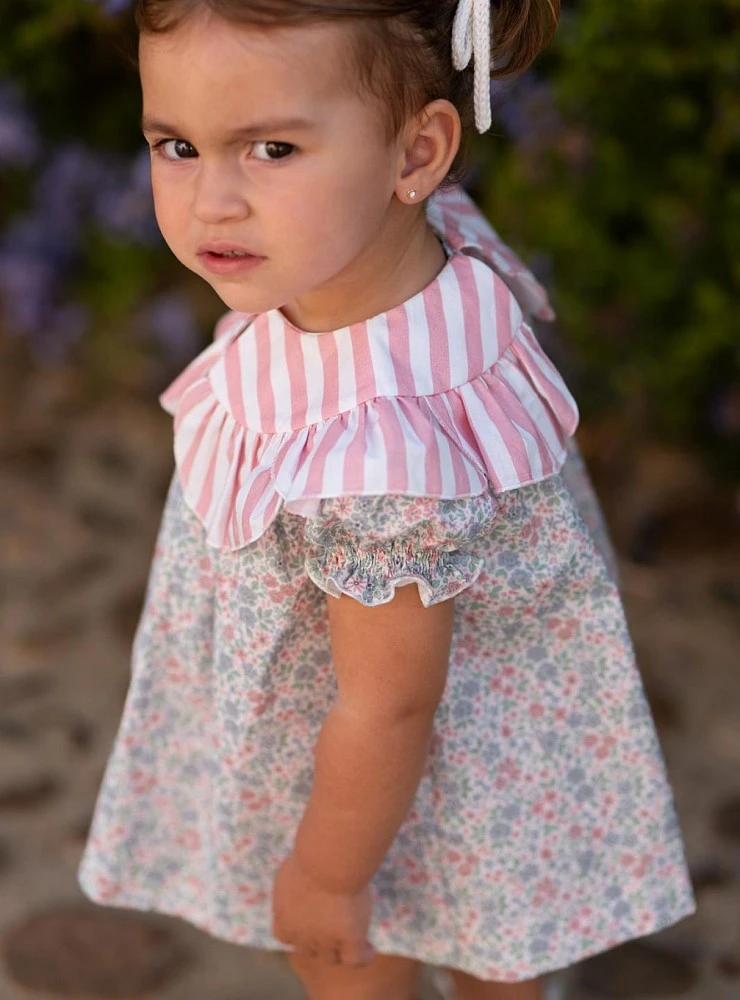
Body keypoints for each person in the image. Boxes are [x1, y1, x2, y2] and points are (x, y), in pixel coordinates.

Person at [78, 1, 696, 998]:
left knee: (359, 954)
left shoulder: (376, 459)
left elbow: (388, 697)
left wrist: (327, 873)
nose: (210, 203)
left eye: (271, 148)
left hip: (364, 764)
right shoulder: (406, 246)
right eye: (178, 145)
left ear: (416, 154)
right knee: (490, 921)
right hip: (485, 734)